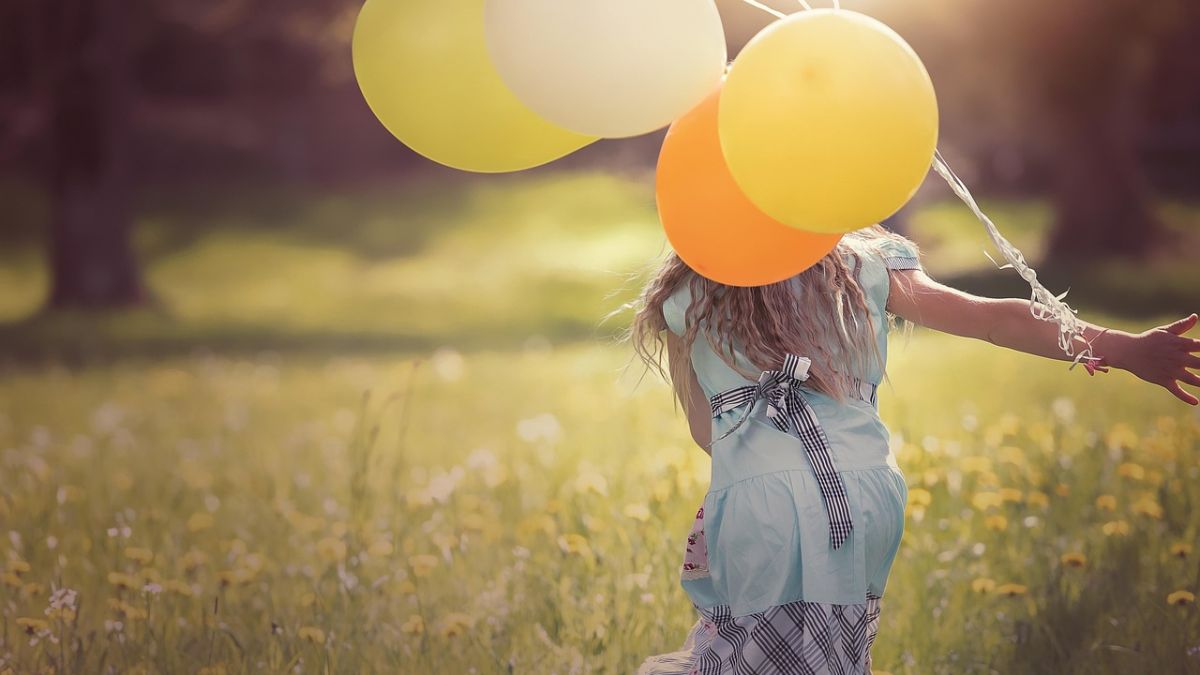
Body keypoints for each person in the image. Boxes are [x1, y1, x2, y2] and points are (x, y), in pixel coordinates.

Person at [626, 224, 1200, 674]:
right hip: (864, 490)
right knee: (833, 653)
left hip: (763, 500)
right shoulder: (860, 261)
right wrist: (1121, 347)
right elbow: (991, 318)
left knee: (747, 654)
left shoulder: (688, 289)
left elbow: (708, 434)